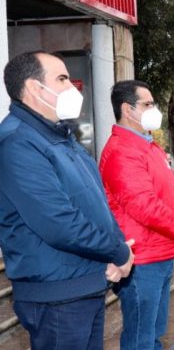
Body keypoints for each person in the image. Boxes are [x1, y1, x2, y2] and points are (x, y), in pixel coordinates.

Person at [0, 51, 134, 349]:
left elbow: (96, 203)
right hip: (57, 295)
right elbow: (58, 223)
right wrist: (117, 251)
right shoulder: (18, 142)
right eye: (61, 79)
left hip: (83, 283)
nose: (72, 87)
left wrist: (117, 249)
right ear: (35, 87)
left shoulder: (60, 137)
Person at [99, 80, 174, 350]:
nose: (154, 109)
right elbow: (144, 205)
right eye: (148, 104)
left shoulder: (148, 146)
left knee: (154, 334)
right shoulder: (122, 151)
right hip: (142, 258)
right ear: (127, 109)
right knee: (140, 339)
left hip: (162, 253)